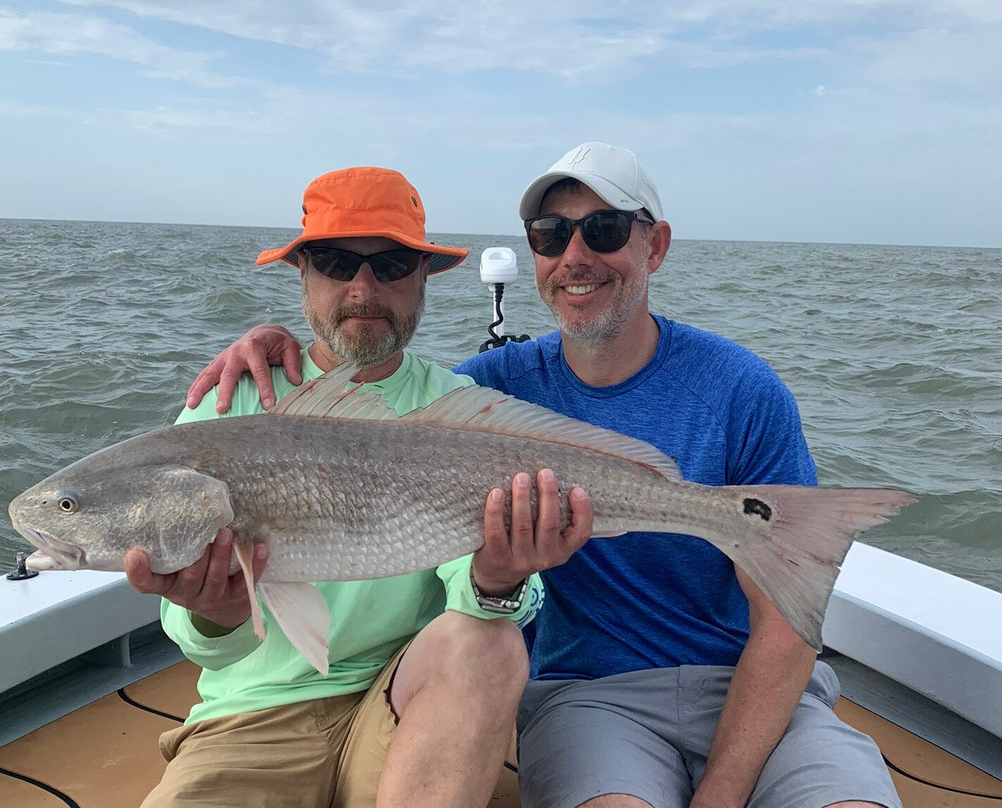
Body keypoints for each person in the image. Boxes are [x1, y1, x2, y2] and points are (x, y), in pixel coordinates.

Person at [186, 144, 901, 808]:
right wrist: (270, 347)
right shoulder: (488, 388)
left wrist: (721, 792)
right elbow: (369, 402)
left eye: (606, 228)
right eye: (551, 235)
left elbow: (786, 623)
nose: (575, 254)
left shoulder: (741, 386)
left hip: (747, 690)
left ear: (655, 244)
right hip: (589, 696)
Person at [125, 165, 593, 808]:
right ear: (303, 273)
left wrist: (499, 578)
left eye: (393, 264)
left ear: (425, 275)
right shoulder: (227, 402)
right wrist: (216, 609)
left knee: (491, 644)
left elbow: (478, 599)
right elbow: (204, 646)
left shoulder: (459, 407)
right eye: (336, 261)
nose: (363, 288)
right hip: (252, 719)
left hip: (405, 700)